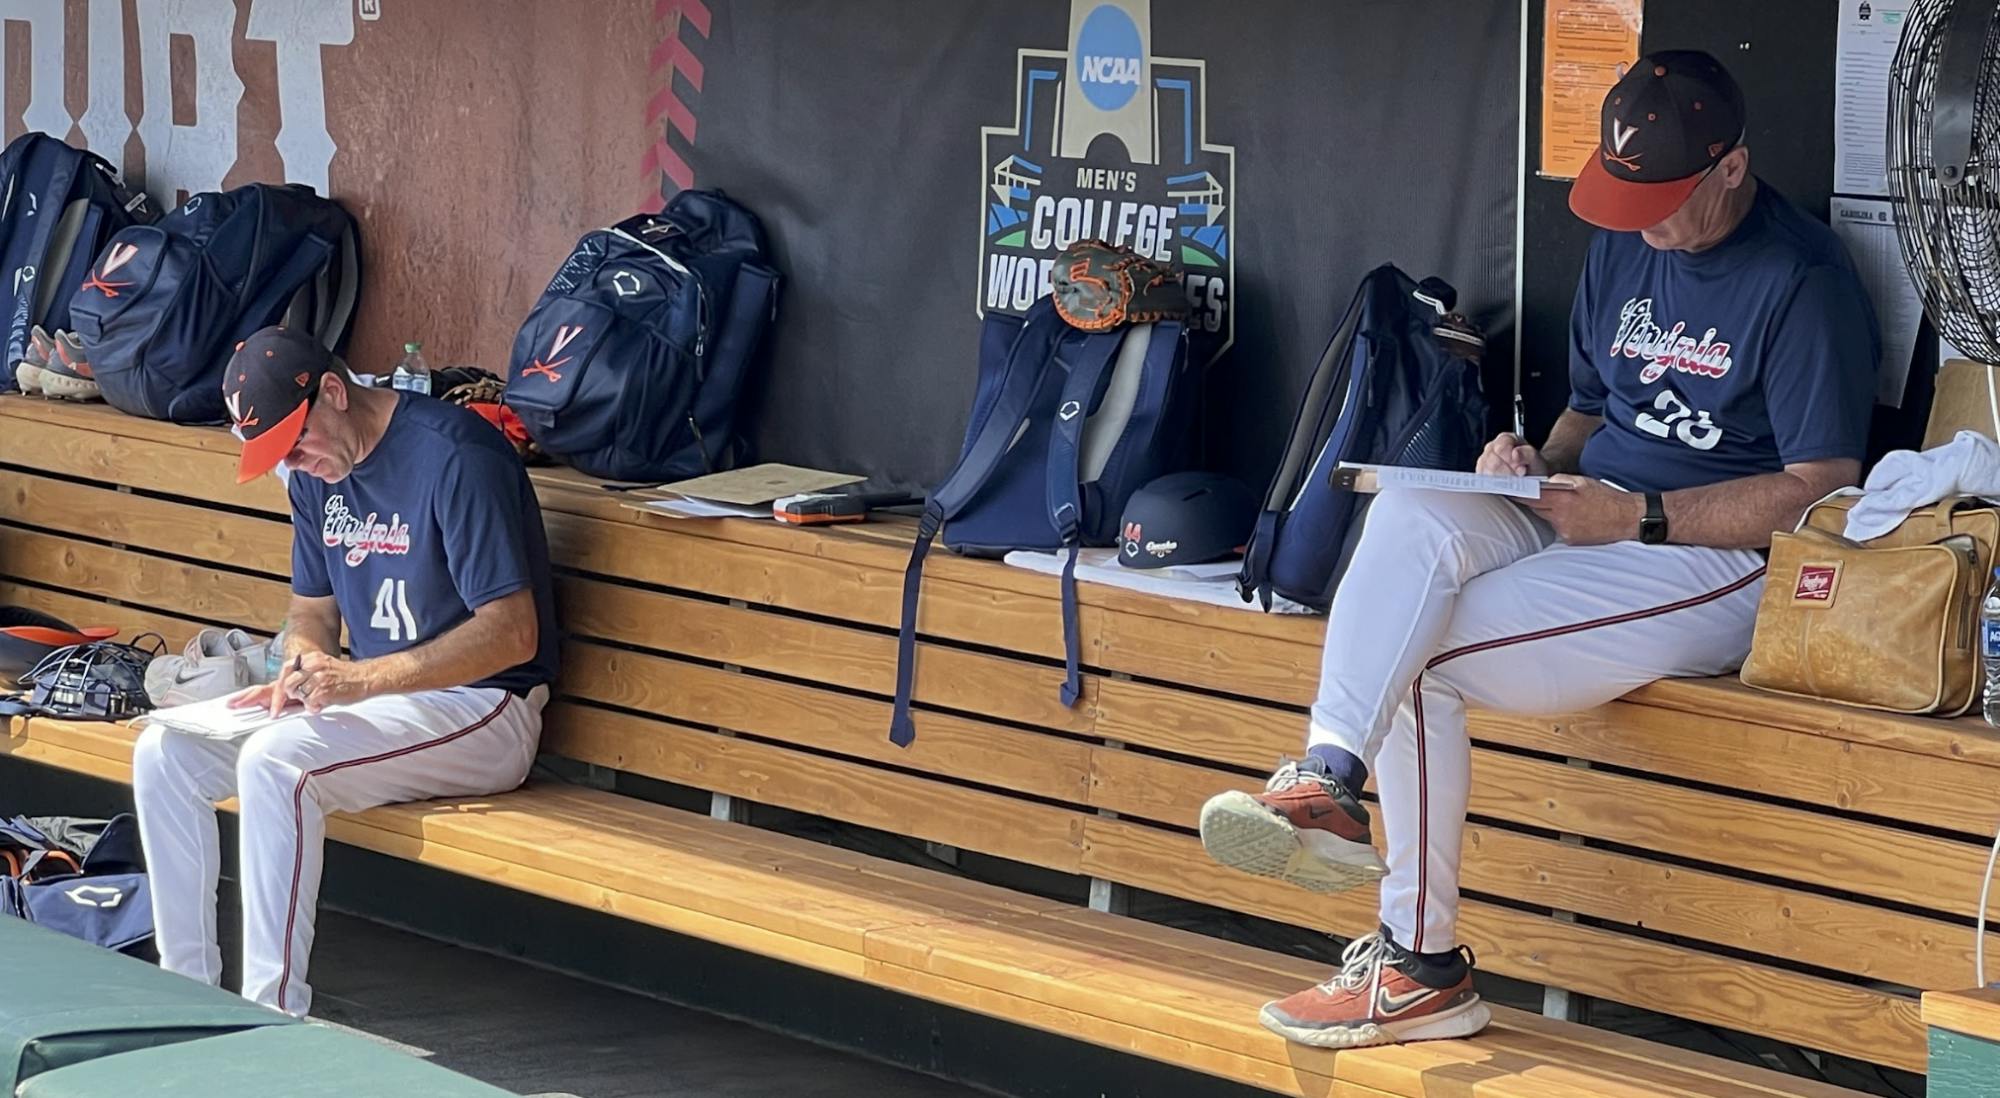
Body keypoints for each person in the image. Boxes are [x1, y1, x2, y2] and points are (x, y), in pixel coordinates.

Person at [1196, 50, 1880, 1049]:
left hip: (1710, 561)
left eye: (1662, 192)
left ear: (1731, 165)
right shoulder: (1624, 241)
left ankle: (1417, 965)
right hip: (1592, 511)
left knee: (1414, 659)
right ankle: (1328, 778)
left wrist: (1638, 519)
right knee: (1408, 509)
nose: (1638, 213)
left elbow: (1822, 493)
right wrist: (1528, 460)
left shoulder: (1799, 278)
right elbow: (1592, 410)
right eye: (1624, 187)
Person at [132, 326, 559, 1016]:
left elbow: (512, 634)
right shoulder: (314, 477)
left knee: (278, 762)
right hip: (382, 700)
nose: (294, 463)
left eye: (296, 443)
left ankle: (269, 1019)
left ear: (332, 391)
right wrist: (304, 657)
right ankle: (186, 999)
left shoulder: (454, 455)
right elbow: (312, 610)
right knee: (165, 750)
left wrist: (360, 680)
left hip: (483, 707)